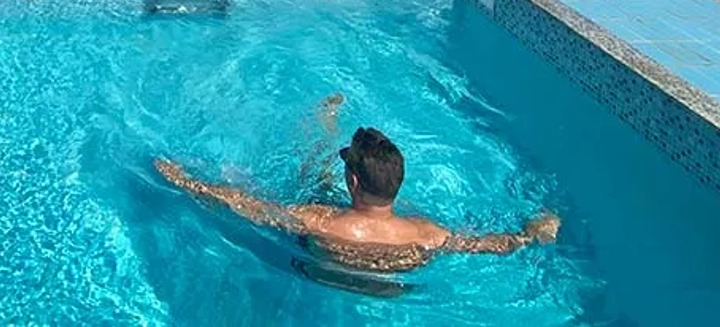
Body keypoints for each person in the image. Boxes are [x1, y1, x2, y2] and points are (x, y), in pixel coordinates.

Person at [155, 102, 559, 274]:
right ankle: (325, 127)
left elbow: (244, 205)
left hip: (318, 266)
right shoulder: (428, 233)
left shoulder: (317, 219)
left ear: (354, 181)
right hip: (388, 288)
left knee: (311, 175)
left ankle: (322, 128)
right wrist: (532, 233)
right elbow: (493, 243)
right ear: (397, 185)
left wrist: (185, 180)